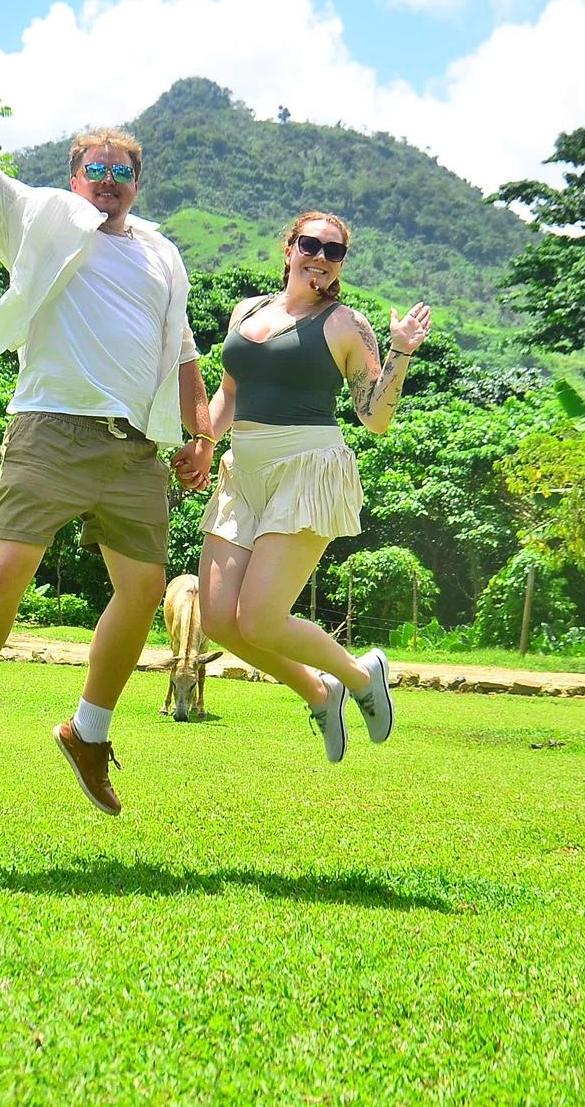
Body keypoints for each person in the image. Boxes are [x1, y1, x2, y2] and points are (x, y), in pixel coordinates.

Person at [0, 12, 214, 816]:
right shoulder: (37, 217)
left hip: (136, 448)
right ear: (74, 176)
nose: (108, 179)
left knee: (140, 594)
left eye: (122, 170)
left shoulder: (162, 254)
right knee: (6, 572)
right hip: (53, 428)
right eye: (96, 167)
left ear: (139, 182)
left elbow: (183, 356)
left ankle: (88, 732)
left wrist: (199, 433)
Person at [187, 210, 431, 762]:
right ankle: (321, 692)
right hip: (242, 470)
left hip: (306, 467)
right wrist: (204, 441)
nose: (320, 256)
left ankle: (361, 675)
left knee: (261, 619)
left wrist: (401, 352)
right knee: (222, 621)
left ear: (340, 263)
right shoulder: (246, 310)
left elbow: (374, 417)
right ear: (289, 248)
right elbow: (230, 392)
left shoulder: (346, 323)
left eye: (334, 251)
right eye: (311, 244)